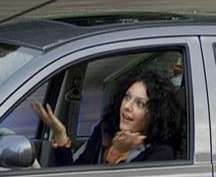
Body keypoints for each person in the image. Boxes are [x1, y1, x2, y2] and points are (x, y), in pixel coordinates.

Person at [33, 69, 182, 166]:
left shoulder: (160, 153)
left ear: (156, 113)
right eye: (127, 97)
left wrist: (117, 154)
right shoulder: (105, 131)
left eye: (140, 104)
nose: (127, 106)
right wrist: (61, 136)